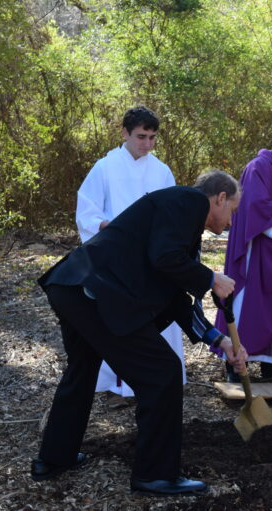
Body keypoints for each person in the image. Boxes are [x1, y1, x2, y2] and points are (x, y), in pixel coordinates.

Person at [31, 170, 247, 496]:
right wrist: (210, 278)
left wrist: (219, 340)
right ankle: (155, 475)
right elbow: (164, 258)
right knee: (162, 372)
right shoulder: (188, 201)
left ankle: (54, 458)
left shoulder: (180, 224)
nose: (231, 221)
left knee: (82, 369)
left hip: (72, 285)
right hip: (94, 293)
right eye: (232, 210)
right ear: (219, 198)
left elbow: (175, 296)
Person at [76, 106, 184, 408]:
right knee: (119, 319)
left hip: (152, 258)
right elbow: (87, 210)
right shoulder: (104, 167)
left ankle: (155, 379)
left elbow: (172, 213)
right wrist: (108, 227)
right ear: (124, 133)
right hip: (115, 258)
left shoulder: (161, 170)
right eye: (141, 137)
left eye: (152, 138)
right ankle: (116, 385)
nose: (147, 144)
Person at [215, 125, 272, 382]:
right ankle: (235, 366)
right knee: (249, 303)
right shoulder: (258, 167)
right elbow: (254, 205)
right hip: (256, 250)